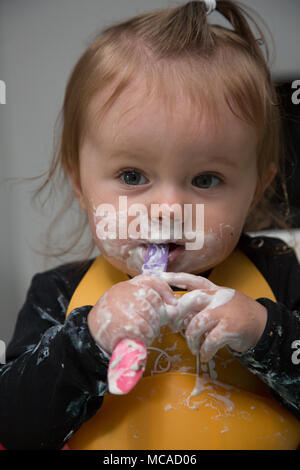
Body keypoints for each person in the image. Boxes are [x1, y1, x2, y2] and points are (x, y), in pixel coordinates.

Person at [1, 0, 300, 450]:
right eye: (132, 177)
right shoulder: (57, 293)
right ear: (80, 184)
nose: (167, 209)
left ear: (256, 189)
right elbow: (13, 426)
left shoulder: (279, 270)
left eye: (205, 179)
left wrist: (265, 334)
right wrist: (88, 341)